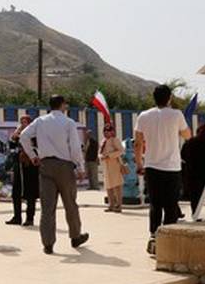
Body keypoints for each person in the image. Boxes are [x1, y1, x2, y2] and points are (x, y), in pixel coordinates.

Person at [18, 95, 90, 255]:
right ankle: (75, 236)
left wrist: (33, 155)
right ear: (63, 105)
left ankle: (48, 244)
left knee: (47, 207)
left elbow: (23, 136)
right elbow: (75, 147)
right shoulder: (68, 122)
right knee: (70, 204)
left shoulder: (40, 121)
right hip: (64, 166)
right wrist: (80, 167)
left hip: (45, 165)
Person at [135, 85, 192, 255]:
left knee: (155, 203)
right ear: (169, 98)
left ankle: (154, 235)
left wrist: (139, 164)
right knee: (171, 204)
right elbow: (188, 135)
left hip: (152, 166)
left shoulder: (143, 116)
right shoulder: (176, 114)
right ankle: (169, 235)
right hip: (172, 167)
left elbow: (138, 143)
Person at [99, 124, 127, 212]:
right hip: (106, 166)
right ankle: (111, 205)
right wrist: (101, 156)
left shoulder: (115, 140)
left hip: (114, 165)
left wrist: (110, 155)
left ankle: (119, 205)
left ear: (112, 132)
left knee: (117, 186)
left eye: (108, 131)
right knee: (108, 186)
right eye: (105, 131)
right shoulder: (103, 141)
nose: (106, 133)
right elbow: (100, 152)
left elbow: (121, 151)